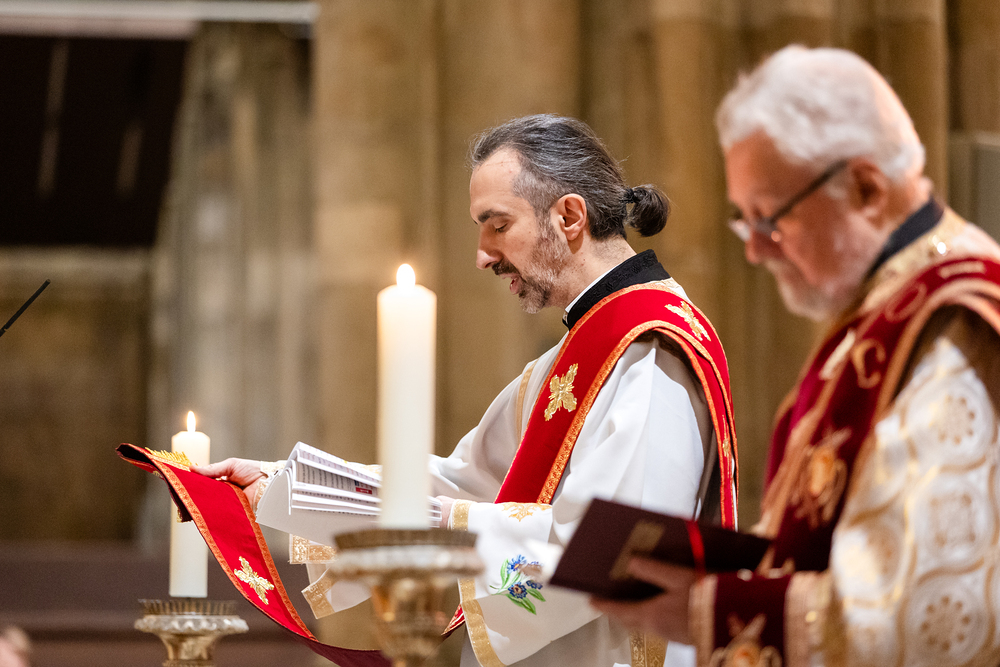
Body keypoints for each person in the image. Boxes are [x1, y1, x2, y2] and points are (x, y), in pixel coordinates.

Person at [196, 114, 739, 667]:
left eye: (497, 225)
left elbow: (618, 549)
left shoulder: (650, 347)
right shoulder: (578, 353)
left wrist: (444, 526)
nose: (482, 255)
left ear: (569, 217)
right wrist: (284, 485)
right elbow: (464, 482)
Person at [592, 45, 1000, 667]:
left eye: (771, 219)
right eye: (745, 221)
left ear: (866, 188)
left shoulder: (957, 319)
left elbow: (934, 610)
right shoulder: (883, 310)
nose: (755, 250)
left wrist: (710, 611)